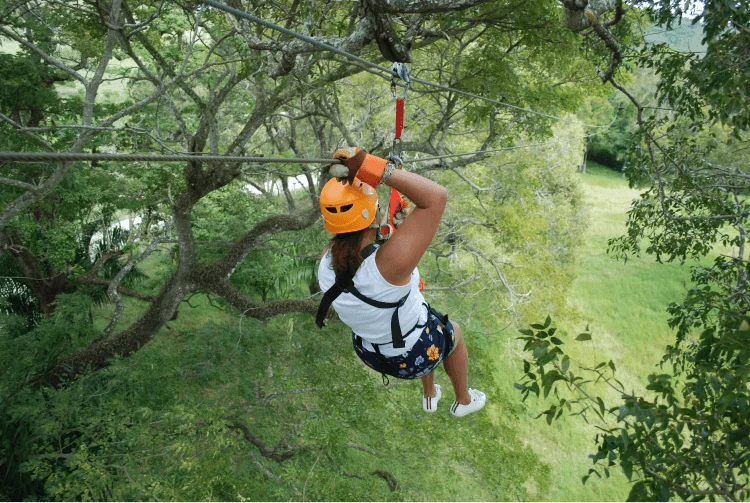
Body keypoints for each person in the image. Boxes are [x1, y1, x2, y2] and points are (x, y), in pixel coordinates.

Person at [316, 147, 486, 417]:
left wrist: (393, 227)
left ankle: (430, 394)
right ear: (372, 214)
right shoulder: (390, 266)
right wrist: (376, 168)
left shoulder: (325, 262)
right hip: (412, 358)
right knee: (450, 330)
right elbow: (436, 197)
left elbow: (365, 249)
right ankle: (464, 400)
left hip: (372, 352)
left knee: (424, 316)